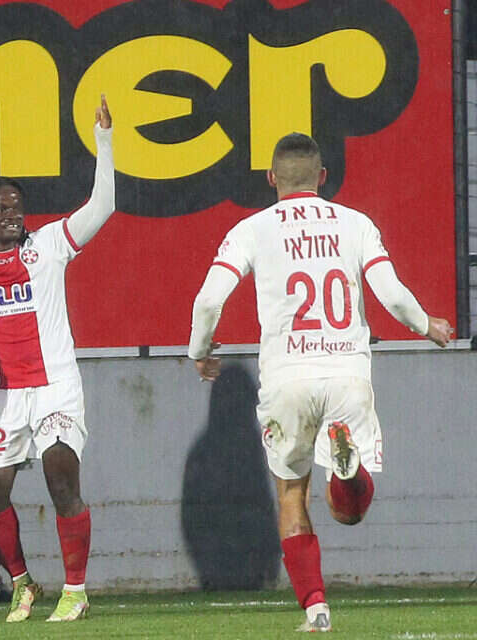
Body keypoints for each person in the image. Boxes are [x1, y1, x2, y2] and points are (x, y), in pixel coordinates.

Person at [187, 132, 454, 632]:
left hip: (286, 379)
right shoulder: (356, 224)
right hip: (346, 373)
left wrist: (199, 351)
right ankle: (346, 472)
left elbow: (208, 300)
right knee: (348, 513)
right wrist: (427, 325)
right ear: (323, 177)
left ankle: (316, 609)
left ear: (271, 178)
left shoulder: (251, 229)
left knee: (292, 493)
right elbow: (392, 293)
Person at [0, 95, 114, 622]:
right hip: (1, 395)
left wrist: (104, 142)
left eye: (16, 207)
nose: (10, 215)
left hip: (54, 386)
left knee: (61, 474)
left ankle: (76, 590)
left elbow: (102, 207)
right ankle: (22, 582)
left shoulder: (49, 245)